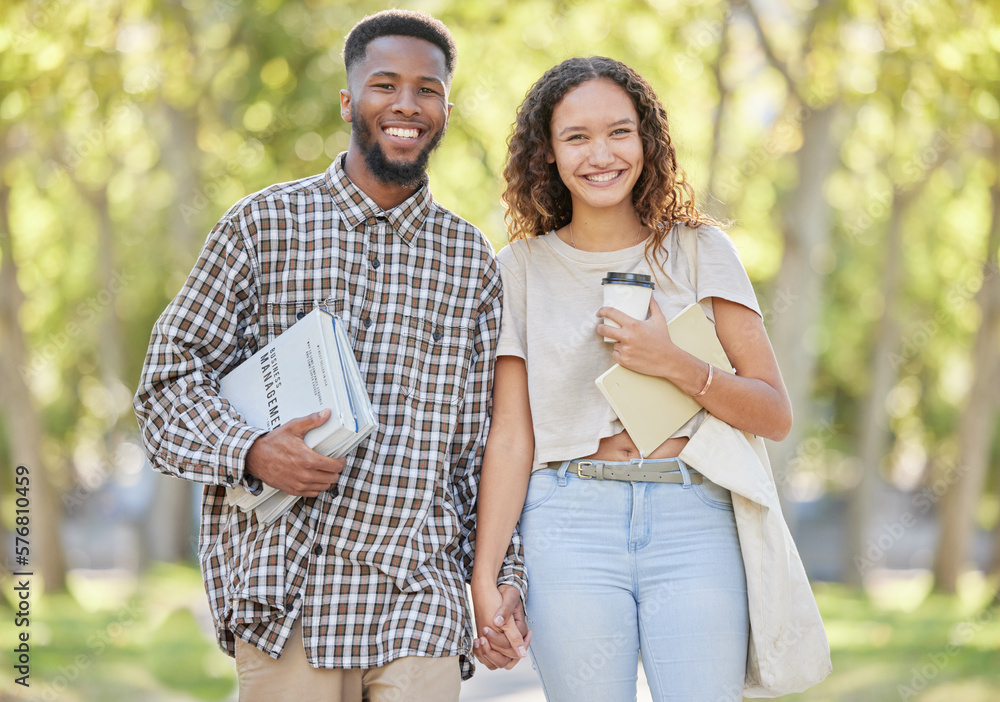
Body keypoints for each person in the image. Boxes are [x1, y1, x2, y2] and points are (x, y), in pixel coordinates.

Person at [133, 10, 527, 701]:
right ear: (348, 101)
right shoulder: (262, 227)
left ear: (445, 109)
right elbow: (165, 389)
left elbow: (480, 451)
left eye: (427, 90)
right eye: (385, 85)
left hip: (418, 601)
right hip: (291, 599)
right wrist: (252, 450)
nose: (406, 104)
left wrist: (500, 581)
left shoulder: (472, 262)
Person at [471, 57, 828, 701]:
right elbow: (511, 439)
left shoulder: (699, 250)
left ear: (647, 141)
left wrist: (676, 364)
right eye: (575, 137)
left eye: (619, 132)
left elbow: (773, 413)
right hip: (568, 522)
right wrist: (487, 575)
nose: (600, 154)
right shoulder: (517, 269)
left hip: (693, 518)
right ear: (547, 154)